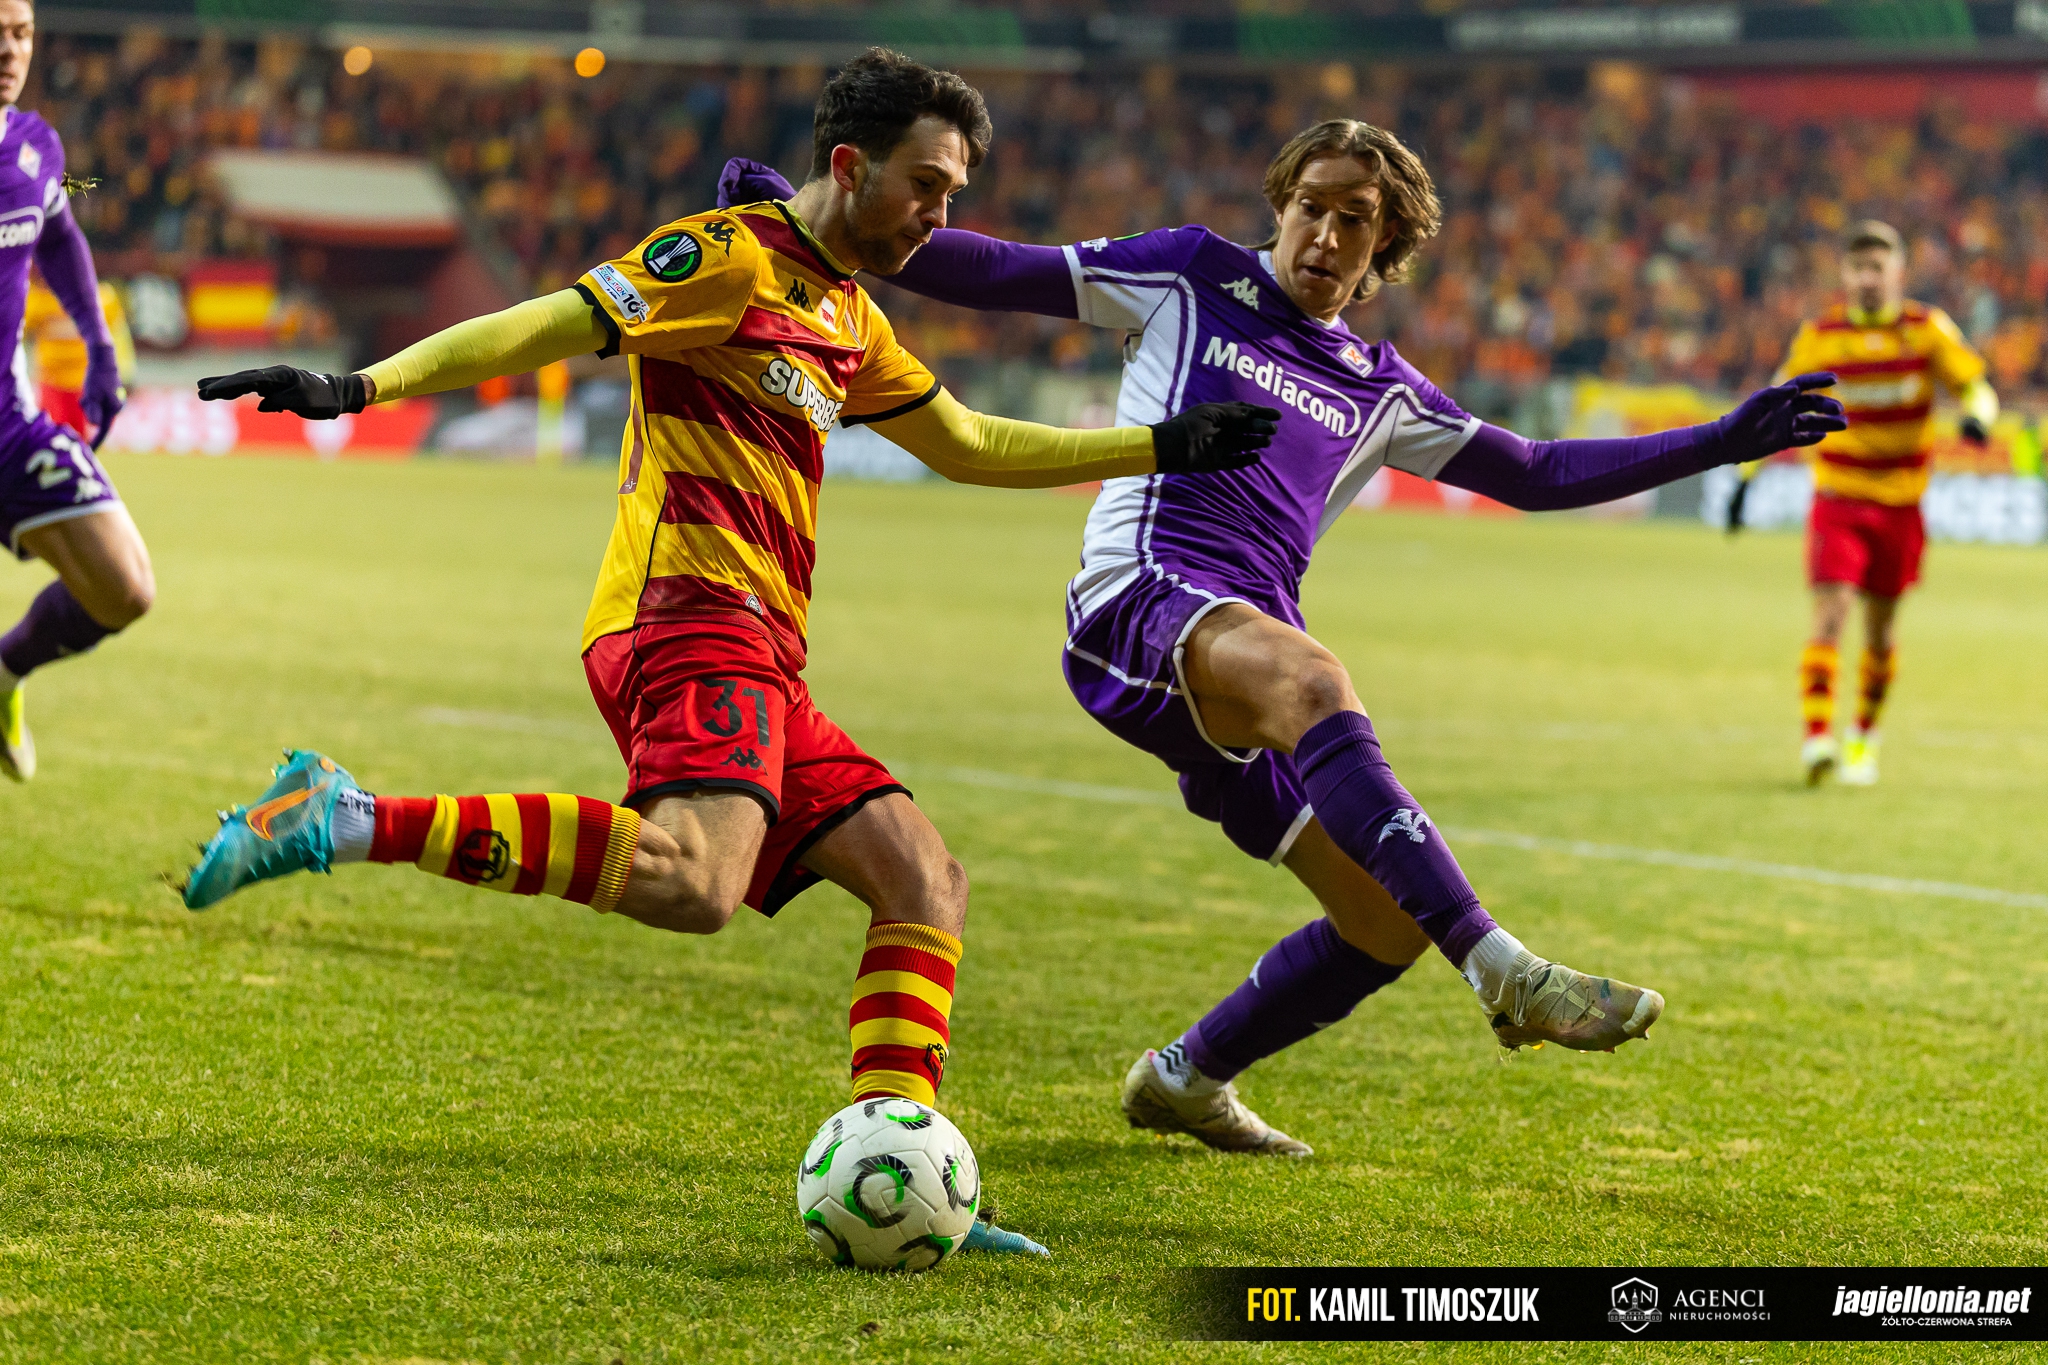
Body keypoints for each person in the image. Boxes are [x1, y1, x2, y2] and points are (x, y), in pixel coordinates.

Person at [184, 50, 1273, 1252]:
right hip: (683, 618)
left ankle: (905, 1166)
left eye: (952, 193)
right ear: (849, 165)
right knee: (695, 885)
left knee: (923, 882)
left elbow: (965, 443)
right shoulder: (723, 257)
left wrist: (1159, 447)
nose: (938, 216)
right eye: (924, 185)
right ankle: (340, 818)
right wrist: (358, 387)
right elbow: (541, 324)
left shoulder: (848, 314)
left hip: (762, 650)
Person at [721, 119, 1843, 1155]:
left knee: (1382, 924)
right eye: (1310, 206)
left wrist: (1717, 439)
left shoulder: (1381, 389)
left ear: (1384, 244)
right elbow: (984, 268)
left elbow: (1538, 472)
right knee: (1314, 680)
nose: (1325, 234)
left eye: (1354, 219)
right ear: (1281, 205)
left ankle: (1185, 1077)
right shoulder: (1187, 273)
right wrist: (806, 218)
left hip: (1242, 666)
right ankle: (1504, 970)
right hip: (1137, 605)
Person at [1734, 220, 1990, 787]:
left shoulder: (1926, 329)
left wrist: (1978, 416)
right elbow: (1773, 405)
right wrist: (1747, 475)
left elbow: (1975, 386)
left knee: (1879, 632)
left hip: (1901, 502)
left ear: (1898, 272)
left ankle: (1863, 739)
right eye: (1858, 268)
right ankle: (1817, 738)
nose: (1868, 278)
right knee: (1831, 613)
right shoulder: (1821, 335)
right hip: (1839, 495)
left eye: (1878, 267)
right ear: (1845, 275)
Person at [0, 0, 146, 782]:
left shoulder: (34, 146)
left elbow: (58, 235)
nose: (9, 51)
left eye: (21, 33)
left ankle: (3, 671)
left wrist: (99, 347)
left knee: (125, 588)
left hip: (7, 428)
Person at [23, 272, 133, 438]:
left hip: (85, 383)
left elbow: (119, 337)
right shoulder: (39, 299)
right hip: (51, 382)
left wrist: (125, 372)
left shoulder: (102, 297)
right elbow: (18, 335)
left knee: (82, 439)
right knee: (53, 437)